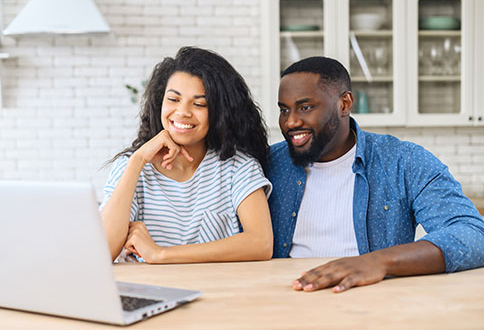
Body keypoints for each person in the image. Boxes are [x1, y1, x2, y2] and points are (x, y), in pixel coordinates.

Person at [266, 56, 484, 293]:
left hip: (376, 301)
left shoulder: (404, 161)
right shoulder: (267, 164)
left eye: (305, 107)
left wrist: (377, 261)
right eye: (284, 110)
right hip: (289, 296)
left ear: (344, 104)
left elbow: (473, 234)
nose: (291, 122)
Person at [100, 46, 273, 264]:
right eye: (173, 99)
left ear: (220, 112)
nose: (183, 111)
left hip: (215, 291)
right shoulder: (133, 167)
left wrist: (161, 254)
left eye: (199, 103)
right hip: (146, 291)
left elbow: (261, 243)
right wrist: (137, 160)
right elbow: (102, 251)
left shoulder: (237, 167)